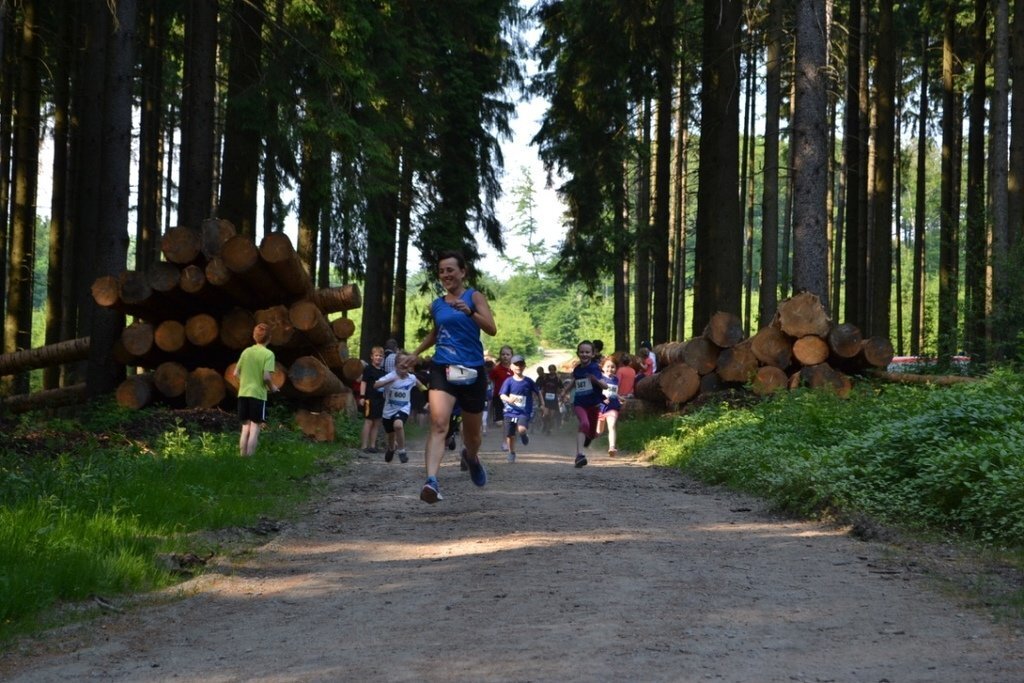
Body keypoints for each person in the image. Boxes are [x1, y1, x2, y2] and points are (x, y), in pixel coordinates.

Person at [411, 250, 497, 503]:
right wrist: (415, 353)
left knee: (473, 436)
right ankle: (431, 481)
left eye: (450, 270)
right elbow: (435, 333)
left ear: (462, 272)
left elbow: (491, 329)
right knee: (439, 424)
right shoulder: (437, 304)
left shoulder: (474, 296)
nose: (446, 275)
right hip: (442, 368)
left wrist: (470, 312)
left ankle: (471, 457)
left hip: (472, 370)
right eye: (442, 271)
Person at [233, 322, 279, 457]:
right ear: (269, 338)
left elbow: (235, 373)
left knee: (245, 428)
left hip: (243, 393)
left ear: (254, 336)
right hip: (258, 395)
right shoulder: (268, 354)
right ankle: (250, 460)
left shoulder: (246, 352)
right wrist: (273, 388)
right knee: (254, 428)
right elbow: (266, 377)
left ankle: (242, 458)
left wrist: (244, 383)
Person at [561, 340, 607, 468]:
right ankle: (579, 456)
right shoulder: (577, 369)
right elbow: (575, 381)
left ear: (592, 354)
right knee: (584, 423)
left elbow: (605, 386)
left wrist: (595, 380)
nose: (584, 354)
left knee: (592, 434)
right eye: (582, 352)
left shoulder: (595, 368)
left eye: (587, 352)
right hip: (580, 403)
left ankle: (588, 438)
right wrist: (565, 391)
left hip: (594, 405)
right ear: (578, 353)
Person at [374, 352, 427, 464]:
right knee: (391, 435)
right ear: (395, 365)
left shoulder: (412, 378)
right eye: (400, 362)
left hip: (403, 408)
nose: (404, 365)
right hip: (388, 410)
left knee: (398, 425)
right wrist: (388, 381)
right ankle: (391, 448)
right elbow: (375, 385)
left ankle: (402, 451)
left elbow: (422, 387)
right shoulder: (391, 375)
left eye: (406, 362)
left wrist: (430, 398)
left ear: (410, 365)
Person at [499, 355, 543, 463]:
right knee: (510, 434)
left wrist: (542, 403)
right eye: (516, 364)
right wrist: (509, 399)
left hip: (523, 412)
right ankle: (511, 452)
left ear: (524, 366)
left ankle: (523, 435)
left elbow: (538, 392)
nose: (518, 366)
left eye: (521, 364)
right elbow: (502, 395)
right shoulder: (508, 381)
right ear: (511, 367)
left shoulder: (528, 381)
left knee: (521, 429)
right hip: (510, 412)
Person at [358, 346, 386, 453]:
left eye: (380, 356)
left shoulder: (383, 372)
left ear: (383, 357)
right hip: (369, 399)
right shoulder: (368, 369)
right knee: (368, 422)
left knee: (377, 422)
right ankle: (364, 446)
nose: (378, 357)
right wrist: (362, 396)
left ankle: (372, 445)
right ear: (372, 357)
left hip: (380, 400)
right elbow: (363, 382)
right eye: (376, 355)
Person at [596, 356, 622, 457]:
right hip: (601, 407)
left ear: (616, 368)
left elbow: (614, 392)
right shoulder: (600, 378)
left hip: (612, 406)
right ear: (602, 367)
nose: (610, 369)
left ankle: (612, 447)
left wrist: (619, 397)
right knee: (599, 431)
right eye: (607, 366)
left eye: (613, 367)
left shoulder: (616, 379)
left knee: (612, 426)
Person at [489, 345, 514, 430]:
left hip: (512, 398)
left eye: (507, 354)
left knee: (512, 421)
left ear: (511, 356)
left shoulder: (515, 369)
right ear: (500, 356)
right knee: (499, 422)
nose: (505, 356)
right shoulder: (496, 369)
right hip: (498, 397)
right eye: (503, 354)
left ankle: (509, 435)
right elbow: (490, 381)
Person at [539, 363, 563, 434]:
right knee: (545, 414)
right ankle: (545, 425)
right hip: (546, 399)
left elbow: (561, 388)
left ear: (555, 370)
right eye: (550, 370)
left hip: (553, 399)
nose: (551, 371)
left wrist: (561, 393)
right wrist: (540, 396)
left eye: (553, 370)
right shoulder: (546, 378)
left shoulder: (557, 379)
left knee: (551, 416)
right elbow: (542, 387)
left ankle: (549, 429)